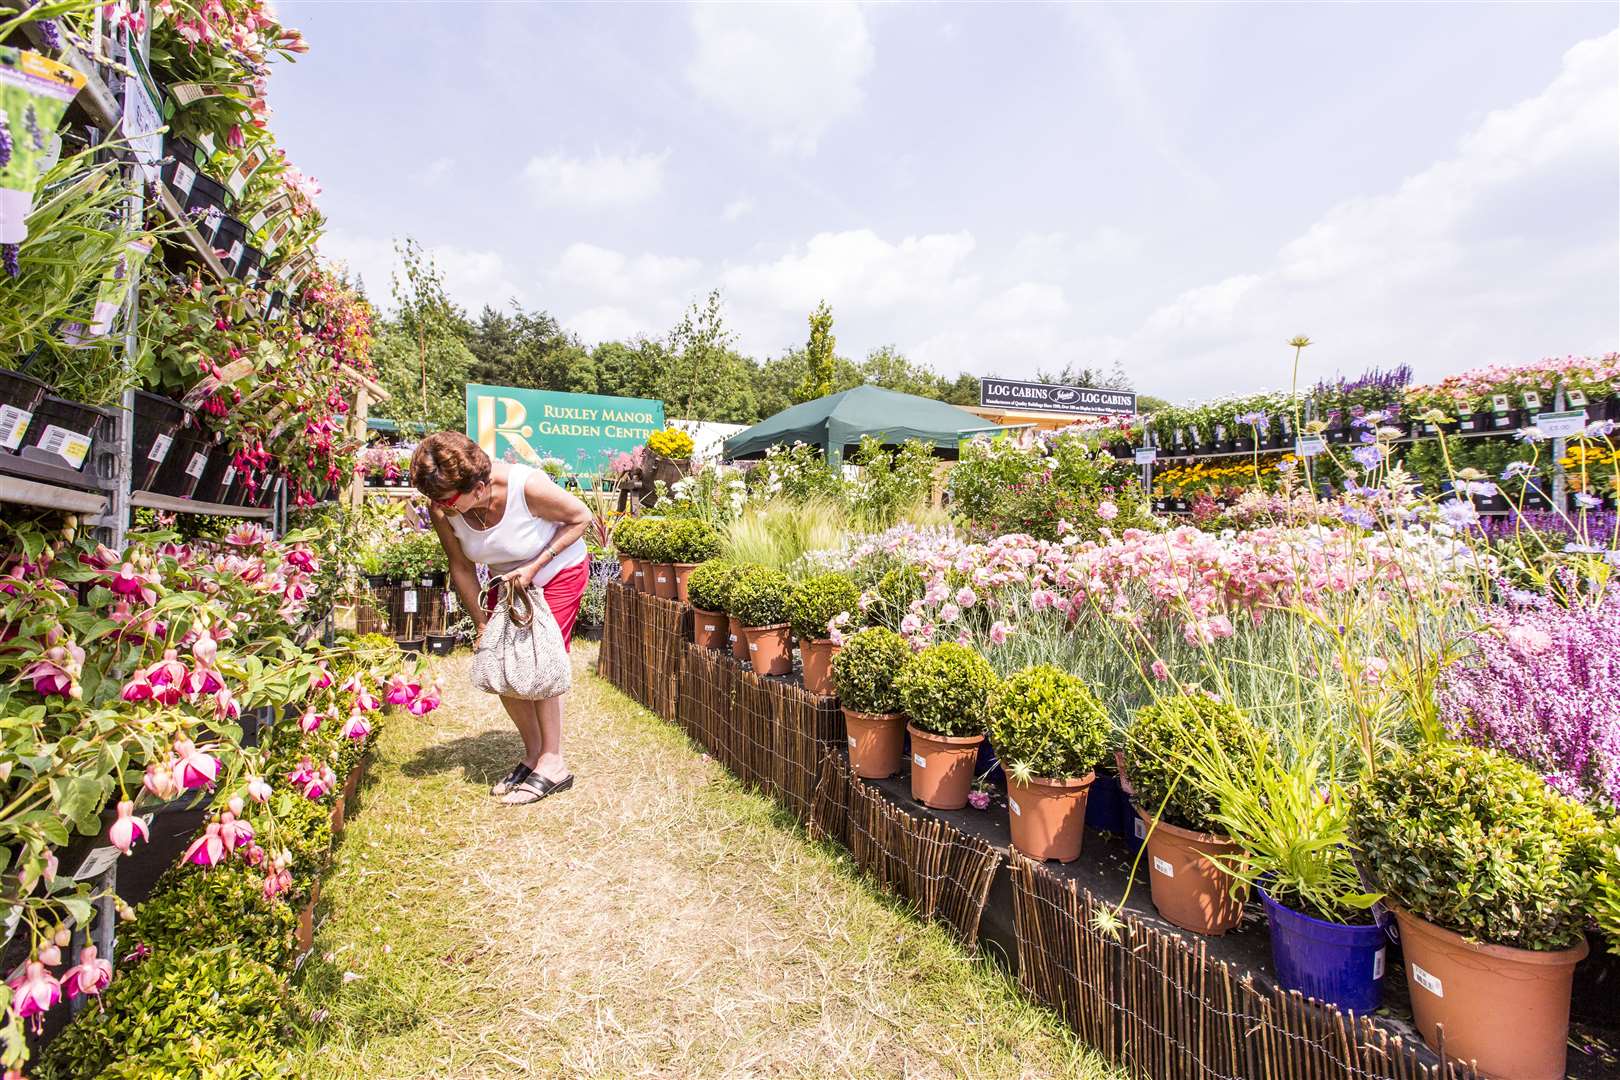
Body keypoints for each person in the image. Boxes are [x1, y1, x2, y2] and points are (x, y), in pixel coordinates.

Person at [411, 432, 593, 805]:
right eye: (435, 499)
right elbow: (460, 567)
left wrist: (535, 565)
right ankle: (533, 754)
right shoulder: (443, 505)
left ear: (479, 487)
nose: (440, 506)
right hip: (508, 581)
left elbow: (580, 518)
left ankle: (554, 763)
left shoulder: (525, 486)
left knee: (538, 662)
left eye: (447, 499)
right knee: (502, 664)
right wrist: (481, 624)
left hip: (557, 570)